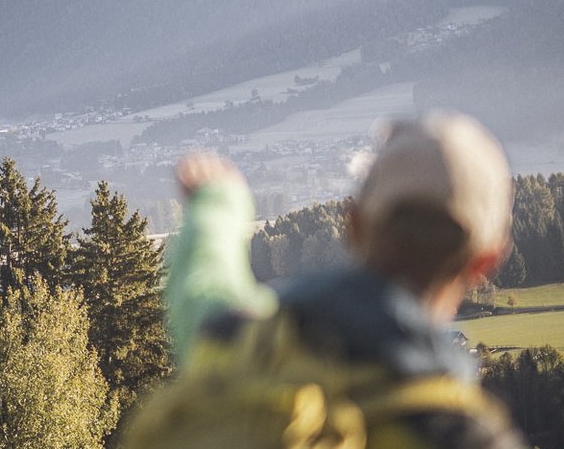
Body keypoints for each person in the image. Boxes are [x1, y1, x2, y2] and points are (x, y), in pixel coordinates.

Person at [119, 113, 527, 448]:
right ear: (486, 261)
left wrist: (218, 203)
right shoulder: (467, 436)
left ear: (353, 224)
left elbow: (203, 286)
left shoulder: (242, 342)